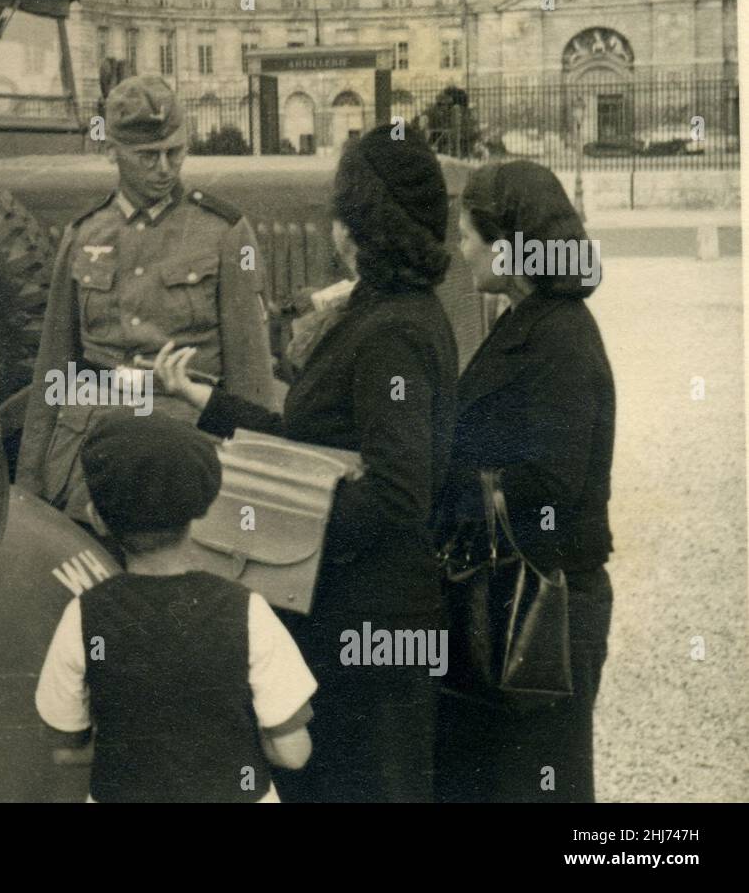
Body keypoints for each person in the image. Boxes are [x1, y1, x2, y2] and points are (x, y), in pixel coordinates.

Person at [154, 124, 459, 802]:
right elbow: (307, 441)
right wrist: (207, 402)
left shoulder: (394, 333)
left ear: (359, 230)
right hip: (356, 618)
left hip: (366, 630)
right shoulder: (386, 313)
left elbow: (399, 494)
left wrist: (269, 511)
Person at [434, 160, 615, 803]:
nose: (461, 248)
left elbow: (550, 485)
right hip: (522, 597)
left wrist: (445, 485)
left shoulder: (559, 336)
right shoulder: (528, 321)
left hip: (547, 607)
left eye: (468, 235)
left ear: (507, 246)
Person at [16, 74, 275, 523]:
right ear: (112, 151)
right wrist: (30, 480)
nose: (165, 168)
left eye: (175, 151)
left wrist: (261, 483)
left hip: (184, 452)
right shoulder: (83, 234)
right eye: (147, 156)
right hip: (89, 454)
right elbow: (54, 367)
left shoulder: (225, 233)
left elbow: (251, 374)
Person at [34, 412, 317, 803]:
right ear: (201, 512)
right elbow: (294, 751)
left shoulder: (82, 617)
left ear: (97, 519)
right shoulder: (247, 611)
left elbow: (65, 748)